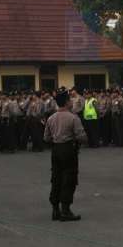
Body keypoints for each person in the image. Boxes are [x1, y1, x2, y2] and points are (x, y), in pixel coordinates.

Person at [43, 88, 86, 221]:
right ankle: (65, 210)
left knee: (56, 178)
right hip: (69, 149)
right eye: (70, 100)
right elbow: (82, 137)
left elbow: (46, 138)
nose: (72, 102)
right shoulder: (73, 118)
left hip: (56, 150)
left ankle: (55, 210)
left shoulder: (51, 118)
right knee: (69, 179)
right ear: (67, 102)